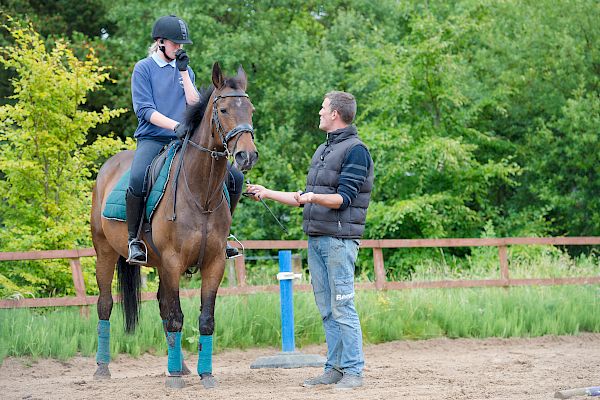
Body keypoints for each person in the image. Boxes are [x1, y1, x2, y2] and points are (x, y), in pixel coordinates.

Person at [246, 91, 374, 390]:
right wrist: (266, 192)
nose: (319, 112)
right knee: (327, 310)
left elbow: (343, 199)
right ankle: (334, 369)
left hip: (340, 241)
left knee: (343, 307)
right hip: (317, 239)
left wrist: (312, 196)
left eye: (323, 108)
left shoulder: (356, 151)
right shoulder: (323, 150)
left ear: (335, 114)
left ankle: (354, 370)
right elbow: (303, 199)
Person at [127, 14, 242, 264]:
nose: (179, 48)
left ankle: (224, 236)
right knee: (137, 178)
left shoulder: (185, 70)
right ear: (160, 42)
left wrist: (183, 74)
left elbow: (194, 103)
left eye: (181, 45)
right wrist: (174, 125)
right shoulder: (143, 68)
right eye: (175, 44)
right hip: (154, 138)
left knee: (235, 177)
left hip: (185, 141)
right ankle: (133, 240)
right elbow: (145, 110)